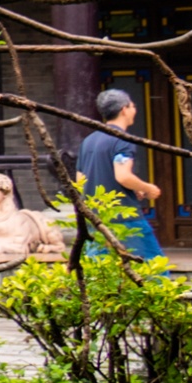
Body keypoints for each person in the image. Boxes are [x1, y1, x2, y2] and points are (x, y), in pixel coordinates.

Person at [74, 88, 167, 265]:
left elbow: (80, 181)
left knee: (99, 270)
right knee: (154, 267)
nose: (134, 110)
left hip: (96, 219)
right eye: (133, 106)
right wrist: (148, 188)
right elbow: (123, 176)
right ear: (124, 109)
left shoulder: (88, 141)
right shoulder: (122, 139)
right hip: (125, 218)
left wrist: (133, 187)